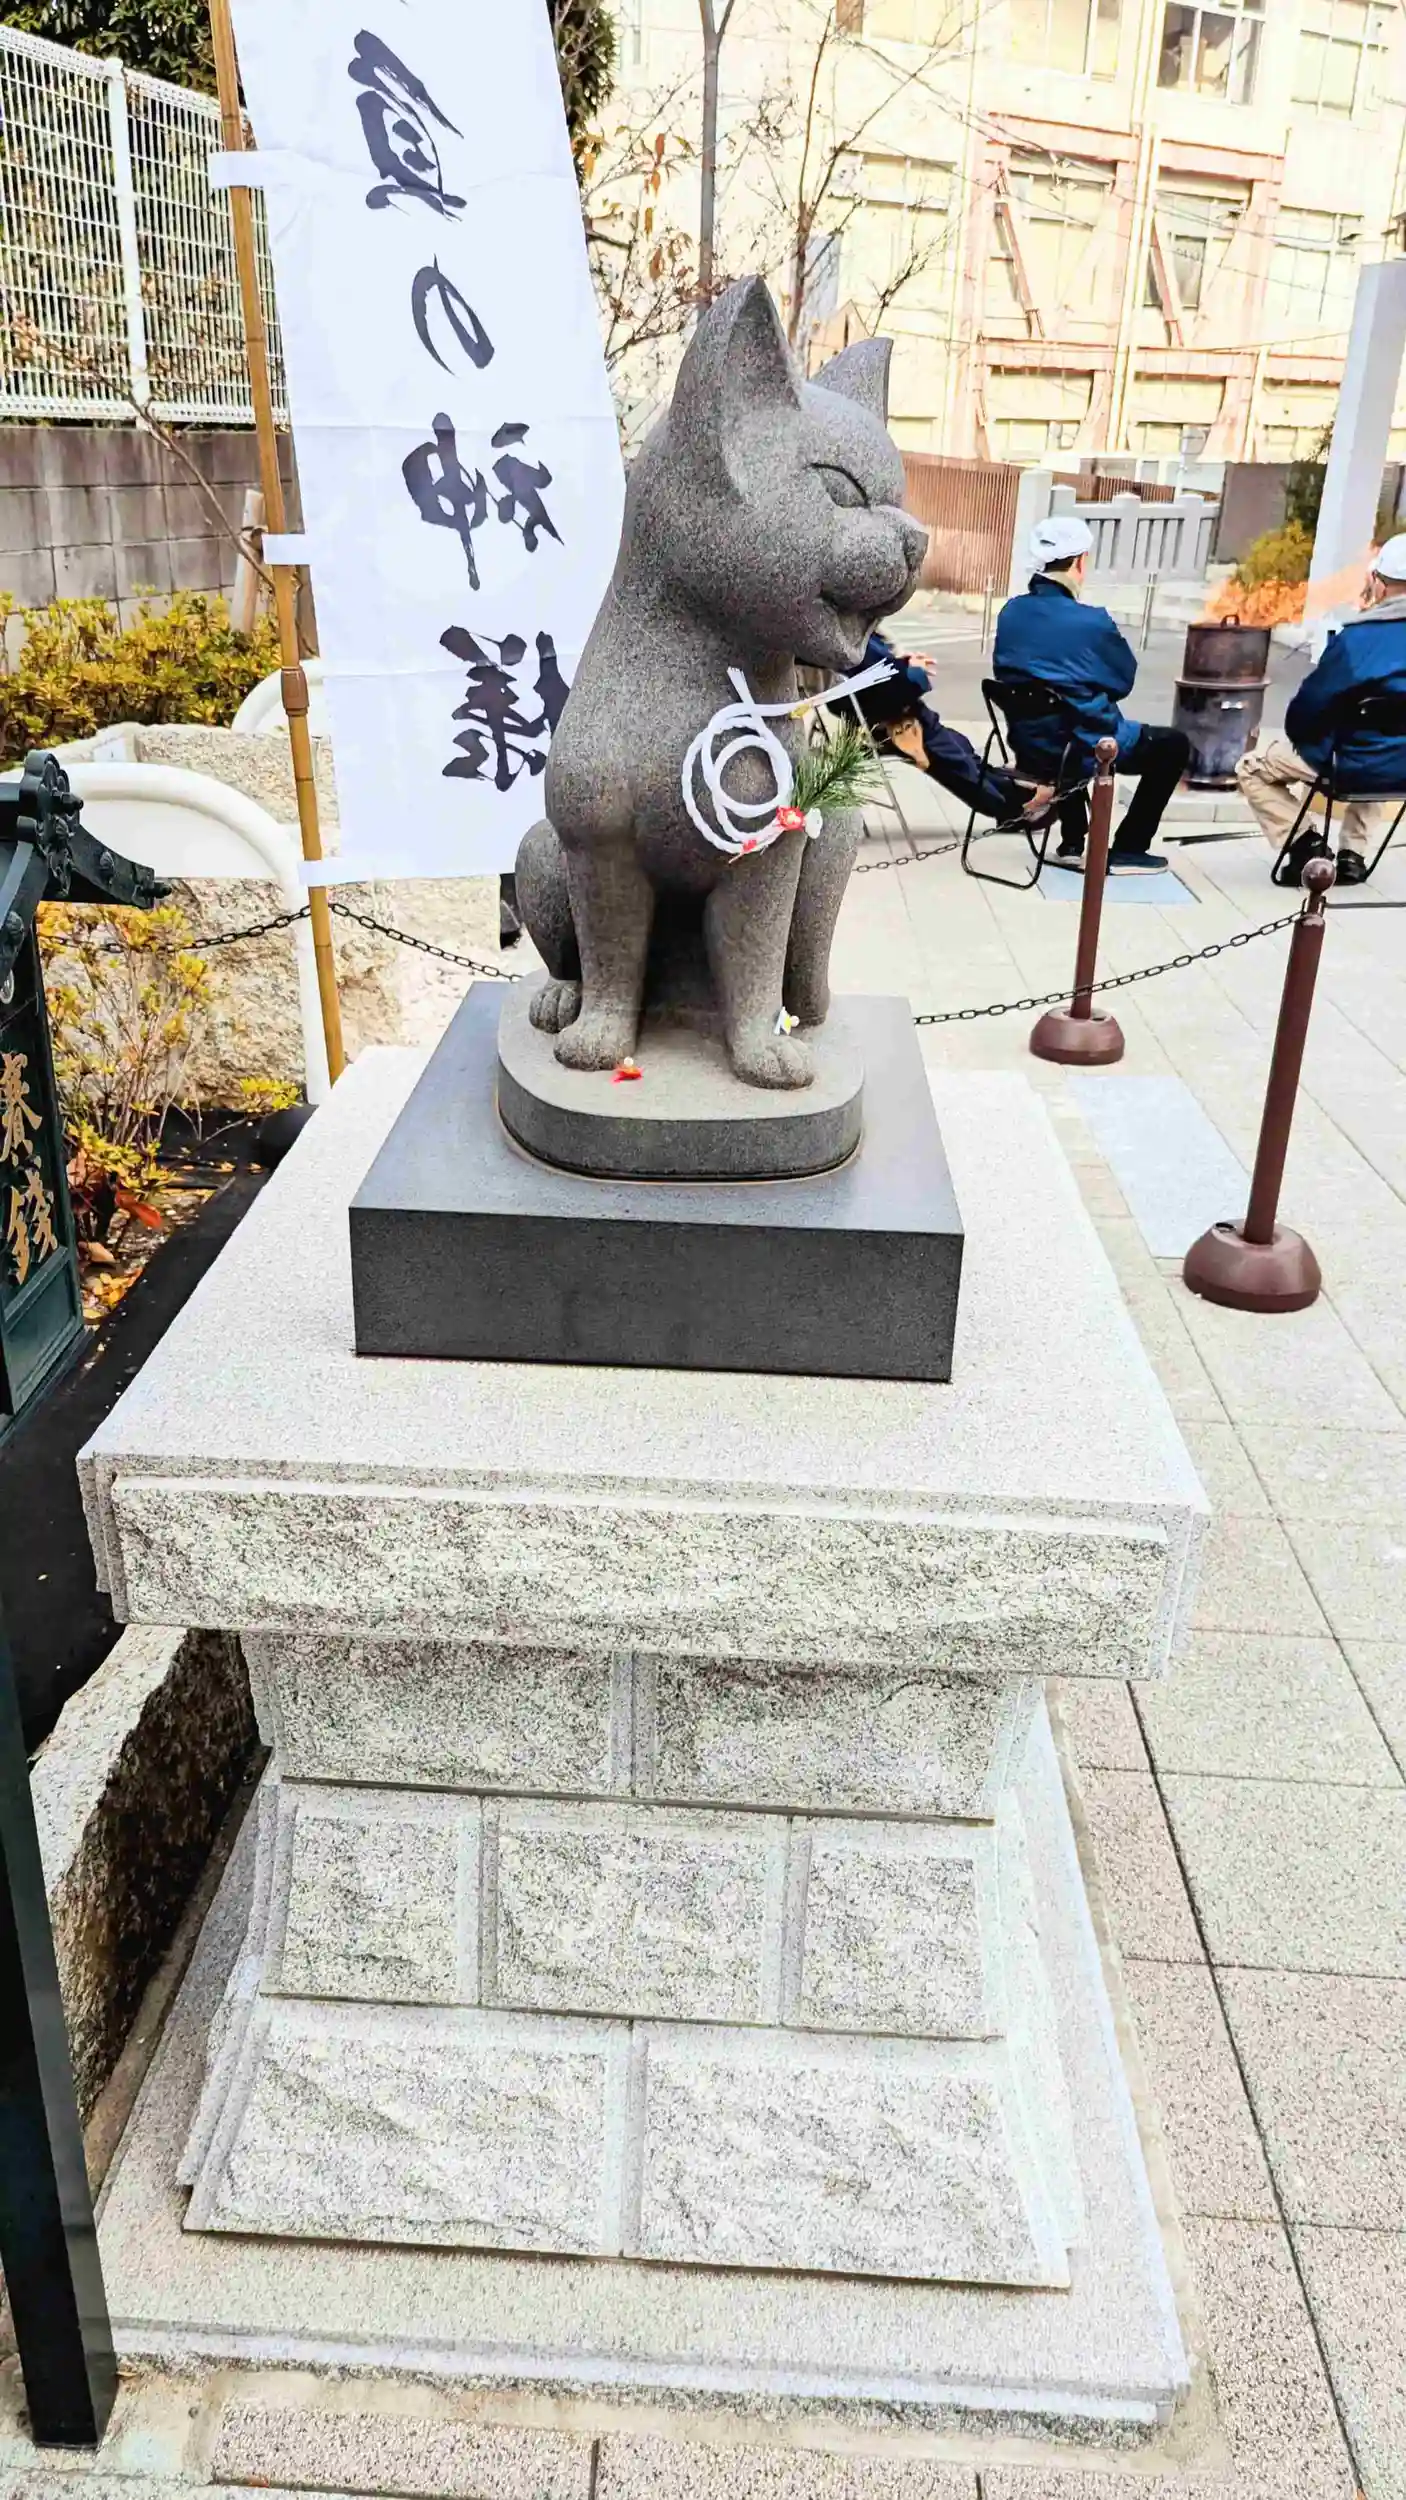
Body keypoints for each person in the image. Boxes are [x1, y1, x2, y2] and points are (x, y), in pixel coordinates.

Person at [992, 515, 1191, 872]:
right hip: (1082, 746)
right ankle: (1129, 849)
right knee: (1172, 745)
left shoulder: (1011, 612)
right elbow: (1123, 681)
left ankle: (1072, 842)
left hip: (1030, 746)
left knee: (1062, 718)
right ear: (1080, 562)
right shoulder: (1092, 620)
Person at [1235, 534, 1406, 889]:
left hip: (1349, 762)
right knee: (1384, 741)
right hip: (1400, 766)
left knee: (1251, 768)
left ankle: (1306, 846)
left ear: (1379, 583)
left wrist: (1309, 739)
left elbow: (1308, 709)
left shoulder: (1357, 640)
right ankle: (1352, 856)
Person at [850, 632, 1083, 847]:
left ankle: (1014, 792)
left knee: (961, 748)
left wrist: (905, 664)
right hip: (893, 722)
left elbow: (878, 677)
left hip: (897, 715)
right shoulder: (850, 641)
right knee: (956, 762)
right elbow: (885, 687)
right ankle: (1015, 809)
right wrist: (913, 671)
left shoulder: (850, 636)